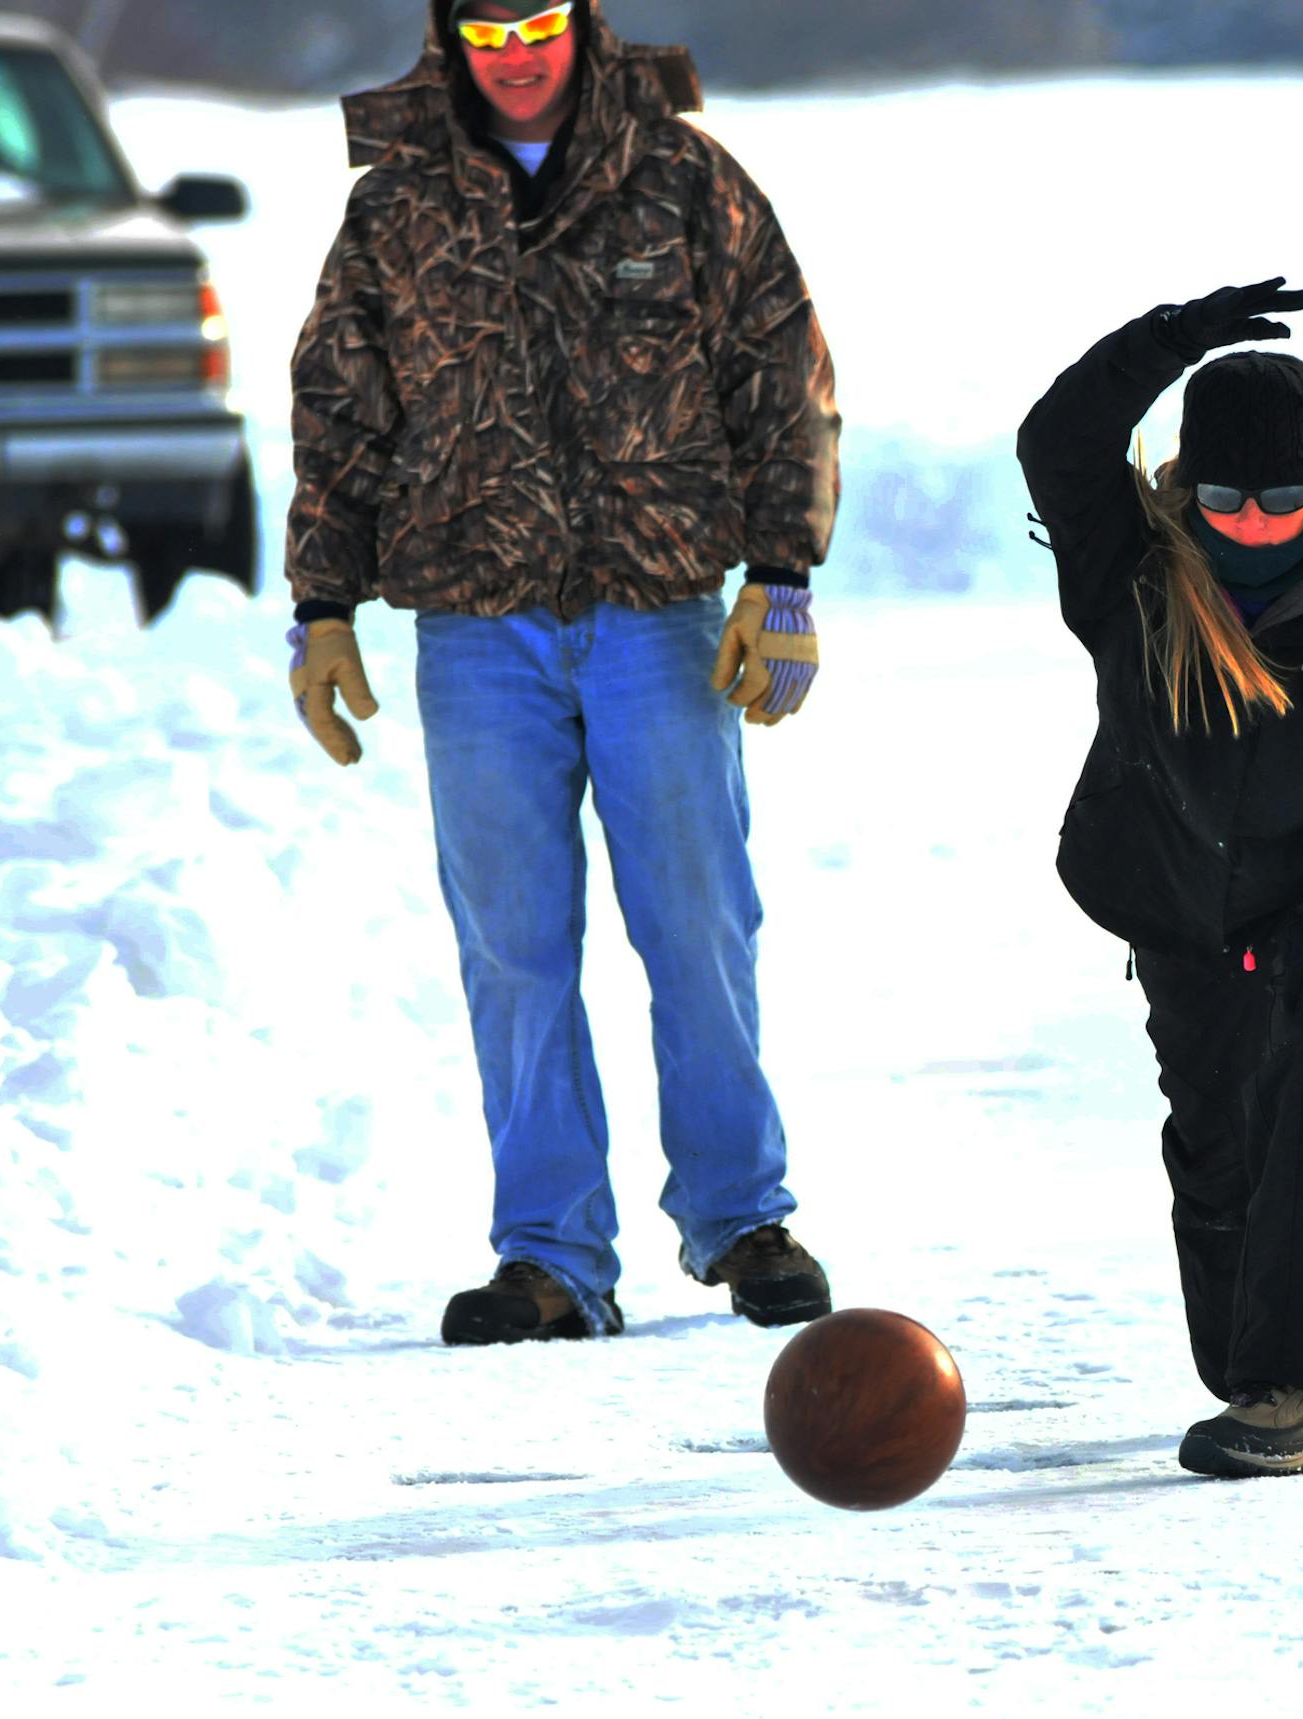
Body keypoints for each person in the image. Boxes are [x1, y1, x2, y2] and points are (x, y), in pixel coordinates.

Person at [283, 0, 840, 1345]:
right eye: (489, 29)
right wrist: (322, 605)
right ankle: (551, 1254)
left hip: (659, 616)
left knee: (697, 922)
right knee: (513, 948)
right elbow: (337, 406)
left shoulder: (685, 177)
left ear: (580, 27)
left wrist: (783, 575)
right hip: (474, 631)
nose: (518, 51)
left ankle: (741, 1215)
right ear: (451, 41)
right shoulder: (395, 207)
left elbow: (782, 365)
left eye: (539, 20)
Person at [1017, 281, 1303, 1479]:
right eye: (1228, 496)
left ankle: (1300, 1392)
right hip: (1182, 897)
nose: (1260, 524)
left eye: (1287, 497)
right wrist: (1171, 340)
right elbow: (1059, 440)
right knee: (1220, 1129)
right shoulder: (1133, 581)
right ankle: (1253, 1373)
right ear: (1188, 485)